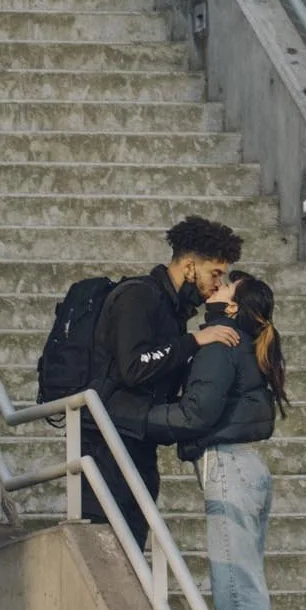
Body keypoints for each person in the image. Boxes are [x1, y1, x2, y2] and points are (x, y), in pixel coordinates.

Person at [148, 270, 288, 610]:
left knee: (234, 578)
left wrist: (138, 419)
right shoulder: (242, 342)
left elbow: (197, 413)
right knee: (243, 575)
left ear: (230, 306)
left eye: (225, 285)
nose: (216, 284)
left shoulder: (220, 341)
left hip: (228, 468)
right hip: (247, 468)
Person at [85, 215, 243, 545]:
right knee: (112, 543)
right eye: (214, 273)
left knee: (133, 540)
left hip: (137, 440)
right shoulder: (139, 296)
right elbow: (134, 367)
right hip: (108, 443)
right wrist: (193, 341)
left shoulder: (171, 309)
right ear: (189, 266)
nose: (217, 283)